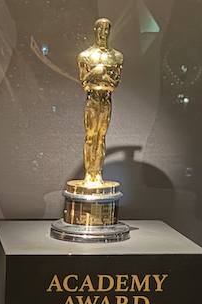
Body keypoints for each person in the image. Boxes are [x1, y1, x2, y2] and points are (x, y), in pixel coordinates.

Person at [78, 18, 124, 186]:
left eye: (107, 30)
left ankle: (97, 173)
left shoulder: (116, 57)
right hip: (92, 100)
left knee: (101, 137)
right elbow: (84, 83)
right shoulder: (86, 56)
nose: (103, 33)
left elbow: (113, 85)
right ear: (95, 30)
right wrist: (97, 73)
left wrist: (101, 77)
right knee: (90, 137)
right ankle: (89, 174)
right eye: (101, 29)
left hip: (105, 100)